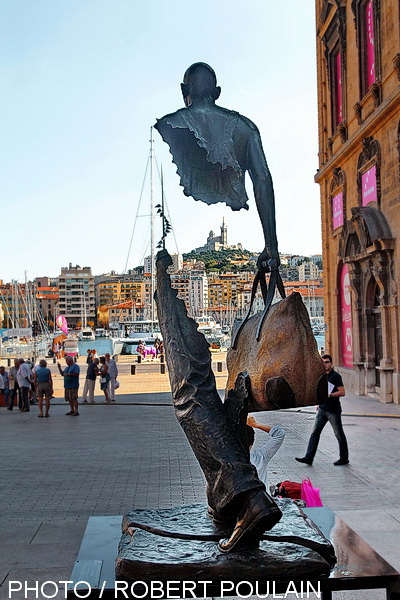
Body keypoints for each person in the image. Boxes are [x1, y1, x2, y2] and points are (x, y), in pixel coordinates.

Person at [155, 62, 280, 273]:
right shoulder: (246, 129)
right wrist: (271, 246)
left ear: (184, 91)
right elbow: (262, 180)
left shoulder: (169, 123)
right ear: (218, 93)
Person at [296, 354, 349, 466]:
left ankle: (344, 458)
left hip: (333, 410)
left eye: (327, 362)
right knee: (314, 433)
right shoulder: (321, 376)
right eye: (323, 362)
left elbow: (342, 392)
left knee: (338, 434)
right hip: (322, 409)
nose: (325, 364)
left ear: (331, 363)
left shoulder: (335, 376)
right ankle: (308, 457)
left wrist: (330, 395)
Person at [246, 415, 286, 490]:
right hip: (262, 499)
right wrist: (255, 424)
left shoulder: (226, 461)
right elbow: (280, 433)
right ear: (253, 442)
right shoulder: (260, 457)